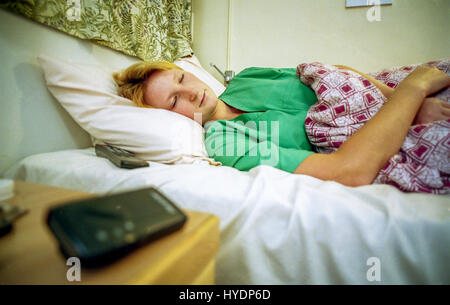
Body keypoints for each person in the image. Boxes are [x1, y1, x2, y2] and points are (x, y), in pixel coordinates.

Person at [113, 61, 450, 187]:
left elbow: (336, 72)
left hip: (392, 89)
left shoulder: (247, 77)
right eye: (174, 101)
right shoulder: (225, 142)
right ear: (165, 117)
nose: (190, 92)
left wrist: (398, 96)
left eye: (182, 78)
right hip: (401, 116)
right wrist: (412, 95)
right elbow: (347, 170)